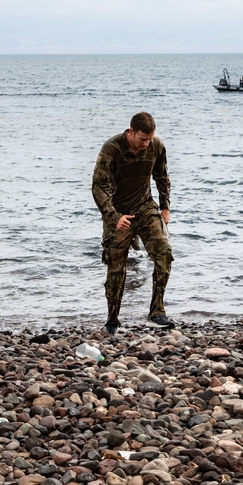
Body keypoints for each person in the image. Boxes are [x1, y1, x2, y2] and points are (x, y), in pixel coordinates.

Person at [92, 112, 174, 334]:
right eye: (142, 139)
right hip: (117, 213)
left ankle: (157, 312)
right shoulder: (111, 149)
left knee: (164, 251)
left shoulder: (156, 146)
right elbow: (99, 188)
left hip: (145, 208)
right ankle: (112, 320)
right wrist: (113, 217)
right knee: (116, 266)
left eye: (149, 139)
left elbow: (162, 177)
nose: (146, 144)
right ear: (130, 132)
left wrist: (165, 207)